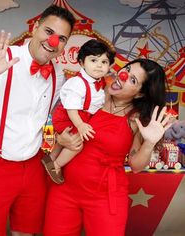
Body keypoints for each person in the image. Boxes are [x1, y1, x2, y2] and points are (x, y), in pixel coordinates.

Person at [0, 5, 79, 236]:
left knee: (26, 231)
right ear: (35, 28)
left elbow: (62, 114)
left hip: (33, 165)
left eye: (61, 38)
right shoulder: (0, 58)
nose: (53, 41)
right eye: (48, 31)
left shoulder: (57, 74)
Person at [43, 58, 171, 236]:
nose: (123, 76)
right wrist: (61, 138)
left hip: (105, 197)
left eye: (133, 80)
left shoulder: (135, 120)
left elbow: (136, 165)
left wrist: (149, 143)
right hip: (64, 189)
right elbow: (62, 123)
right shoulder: (89, 93)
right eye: (126, 69)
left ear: (140, 94)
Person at [41, 39, 115, 184]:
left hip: (80, 117)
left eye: (104, 62)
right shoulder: (78, 83)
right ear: (81, 63)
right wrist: (80, 125)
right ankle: (56, 166)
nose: (99, 65)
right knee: (76, 144)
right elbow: (71, 108)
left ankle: (50, 159)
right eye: (93, 60)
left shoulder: (99, 84)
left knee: (66, 140)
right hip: (68, 116)